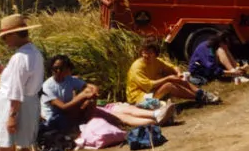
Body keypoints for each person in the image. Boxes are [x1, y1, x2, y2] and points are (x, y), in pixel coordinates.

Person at [0, 15, 73, 151]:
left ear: (13, 35)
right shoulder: (33, 53)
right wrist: (5, 71)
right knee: (29, 149)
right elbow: (24, 81)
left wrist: (12, 116)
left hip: (16, 105)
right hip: (29, 104)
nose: (5, 41)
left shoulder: (20, 58)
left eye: (5, 37)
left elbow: (15, 90)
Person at [42, 55, 172, 132]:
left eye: (61, 68)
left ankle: (156, 115)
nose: (58, 71)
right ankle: (154, 121)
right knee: (117, 116)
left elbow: (88, 86)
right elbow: (62, 108)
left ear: (67, 69)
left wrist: (93, 90)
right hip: (58, 119)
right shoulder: (47, 86)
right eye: (55, 69)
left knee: (122, 110)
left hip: (74, 112)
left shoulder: (69, 79)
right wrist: (83, 96)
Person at [127, 37, 219, 106]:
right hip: (139, 97)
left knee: (176, 78)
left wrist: (178, 74)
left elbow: (173, 67)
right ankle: (199, 97)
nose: (146, 55)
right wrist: (168, 78)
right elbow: (148, 85)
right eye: (144, 52)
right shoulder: (137, 67)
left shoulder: (156, 61)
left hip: (151, 91)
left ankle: (201, 93)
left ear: (155, 54)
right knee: (169, 85)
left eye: (150, 53)